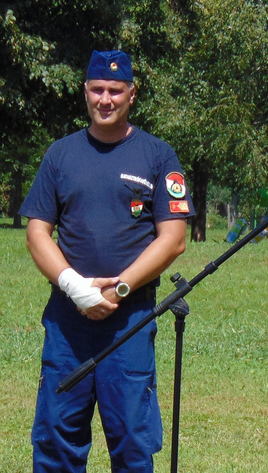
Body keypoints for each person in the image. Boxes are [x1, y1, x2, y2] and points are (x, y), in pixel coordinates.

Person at [20, 50, 194, 472]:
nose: (105, 99)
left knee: (133, 442)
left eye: (115, 91)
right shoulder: (60, 155)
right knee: (56, 441)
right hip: (68, 323)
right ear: (85, 91)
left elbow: (173, 240)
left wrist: (119, 288)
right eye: (97, 89)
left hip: (129, 321)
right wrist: (74, 286)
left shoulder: (158, 155)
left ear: (132, 94)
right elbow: (37, 232)